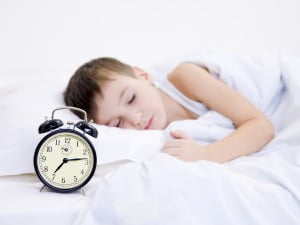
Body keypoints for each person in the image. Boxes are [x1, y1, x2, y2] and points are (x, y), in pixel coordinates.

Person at [64, 57, 275, 163]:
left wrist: (205, 155)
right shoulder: (162, 137)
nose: (135, 118)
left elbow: (261, 126)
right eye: (117, 123)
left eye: (131, 98)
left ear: (142, 75)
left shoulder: (186, 78)